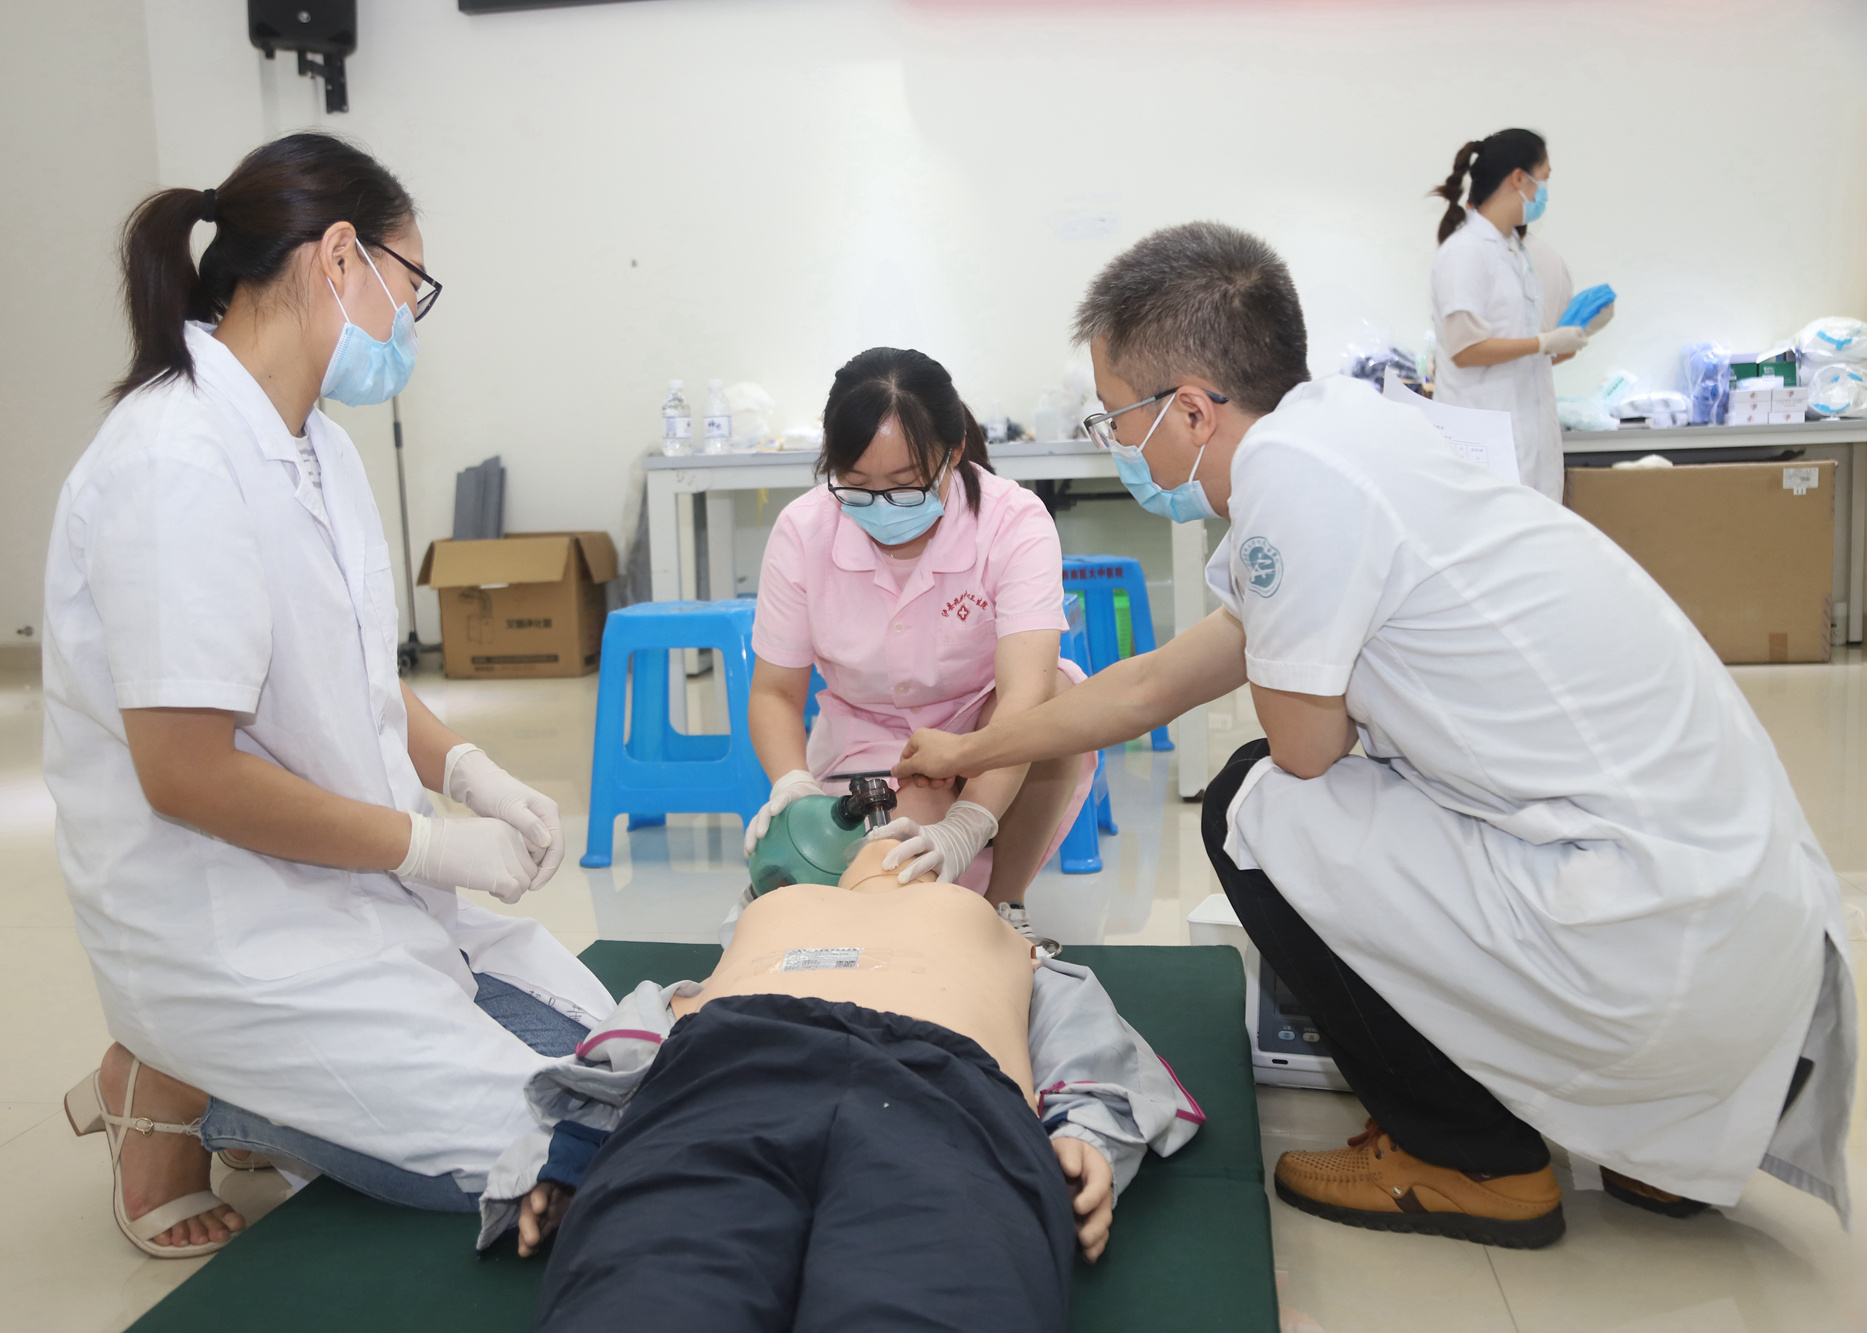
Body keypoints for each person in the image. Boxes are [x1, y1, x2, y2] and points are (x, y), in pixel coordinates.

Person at [895, 221, 1854, 1248]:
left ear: (1190, 409)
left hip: (1649, 925)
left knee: (1254, 803)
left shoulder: (1292, 482)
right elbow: (1149, 686)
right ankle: (1642, 1137)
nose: (1115, 447)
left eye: (1116, 419)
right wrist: (965, 753)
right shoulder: (1344, 430)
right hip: (1726, 907)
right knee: (1311, 789)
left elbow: (1305, 751)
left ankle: (1467, 1154)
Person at [47, 132, 614, 1259]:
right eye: (413, 286)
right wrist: (430, 846)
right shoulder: (172, 462)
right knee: (565, 1156)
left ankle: (233, 1079)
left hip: (341, 884)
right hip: (226, 923)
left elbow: (350, 671)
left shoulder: (318, 447)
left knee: (607, 1060)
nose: (412, 323)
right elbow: (187, 773)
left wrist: (469, 773)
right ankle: (186, 1079)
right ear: (341, 257)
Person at [473, 836, 1201, 1333]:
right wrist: (569, 1146)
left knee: (935, 1299)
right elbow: (641, 1033)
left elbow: (1082, 1024)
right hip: (725, 1072)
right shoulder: (764, 921)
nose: (888, 835)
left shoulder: (1004, 937)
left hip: (940, 1095)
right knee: (650, 1297)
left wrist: (1088, 1129)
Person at [744, 348, 1096, 950]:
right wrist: (792, 785)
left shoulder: (1013, 520)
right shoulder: (804, 530)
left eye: (905, 487)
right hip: (870, 735)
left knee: (1059, 698)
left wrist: (969, 823)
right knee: (897, 878)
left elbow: (1027, 692)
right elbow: (775, 692)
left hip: (989, 730)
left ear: (953, 454)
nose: (881, 506)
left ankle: (1004, 903)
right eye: (856, 486)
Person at [1429, 128, 1593, 501]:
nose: (1543, 192)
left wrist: (1565, 342)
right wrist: (1542, 343)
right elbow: (1465, 349)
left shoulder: (1515, 253)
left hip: (1529, 444)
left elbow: (1517, 350)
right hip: (1486, 447)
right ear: (1519, 179)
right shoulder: (1466, 252)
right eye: (1543, 179)